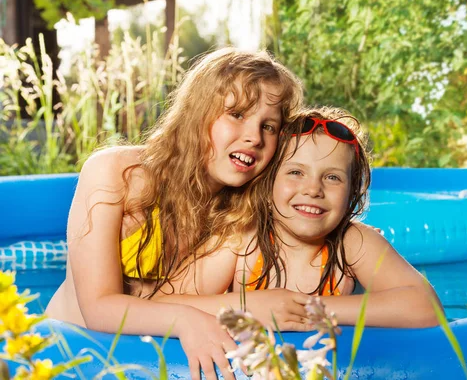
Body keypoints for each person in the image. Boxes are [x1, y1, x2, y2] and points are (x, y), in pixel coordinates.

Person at [45, 47, 305, 380]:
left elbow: (158, 299)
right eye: (237, 114)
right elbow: (98, 307)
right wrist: (187, 319)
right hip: (65, 356)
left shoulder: (238, 215)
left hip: (143, 365)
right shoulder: (118, 174)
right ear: (197, 113)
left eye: (268, 126)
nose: (254, 137)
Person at [152, 107, 441, 329]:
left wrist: (309, 310)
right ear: (268, 185)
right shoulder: (241, 239)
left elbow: (428, 308)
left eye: (332, 177)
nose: (313, 189)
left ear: (352, 194)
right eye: (295, 172)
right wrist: (245, 306)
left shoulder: (353, 242)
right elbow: (164, 304)